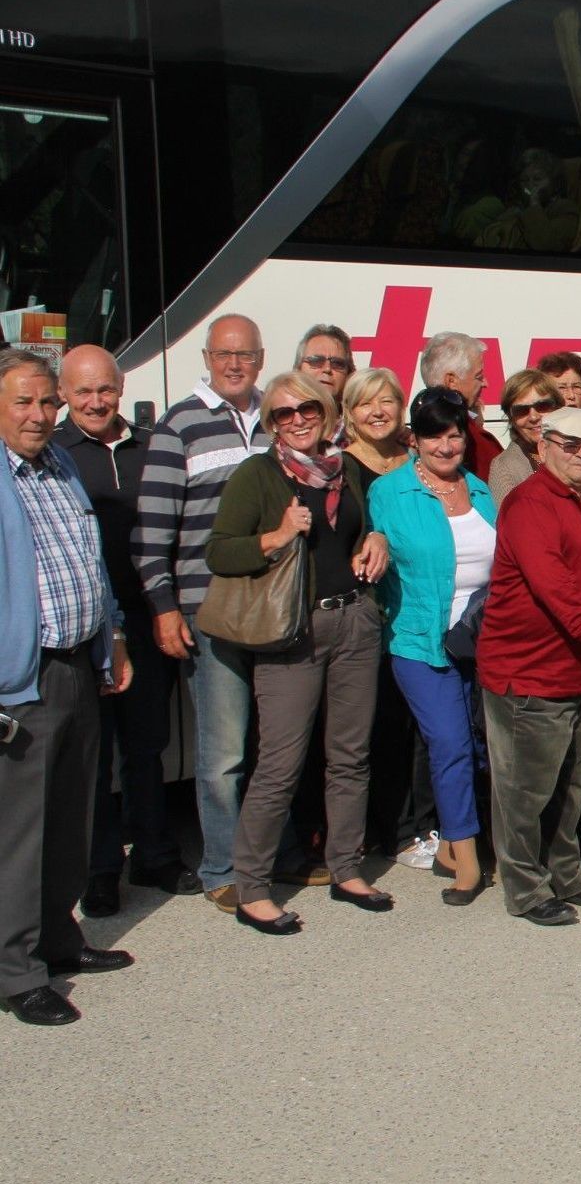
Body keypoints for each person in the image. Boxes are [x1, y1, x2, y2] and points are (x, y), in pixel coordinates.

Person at [132, 313, 311, 914]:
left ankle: (276, 856)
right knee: (224, 751)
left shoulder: (277, 420)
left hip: (278, 606)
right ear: (206, 358)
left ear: (261, 360)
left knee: (274, 746)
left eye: (246, 355)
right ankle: (221, 868)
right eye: (223, 354)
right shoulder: (178, 425)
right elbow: (153, 529)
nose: (234, 365)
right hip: (211, 611)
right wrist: (163, 606)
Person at [206, 371, 392, 935]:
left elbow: (362, 529)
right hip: (293, 631)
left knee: (351, 755)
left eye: (307, 408)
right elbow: (220, 552)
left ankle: (346, 869)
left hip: (354, 620)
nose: (298, 419)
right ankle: (253, 888)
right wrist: (276, 536)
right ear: (271, 422)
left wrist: (376, 538)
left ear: (326, 411)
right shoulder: (257, 474)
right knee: (280, 763)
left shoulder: (345, 469)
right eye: (284, 413)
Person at [1, 348, 134, 1026]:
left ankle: (58, 936)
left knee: (71, 815)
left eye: (46, 402)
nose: (40, 414)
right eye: (24, 402)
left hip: (78, 662)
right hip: (21, 677)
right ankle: (16, 969)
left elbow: (89, 558)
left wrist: (110, 635)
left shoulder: (56, 465)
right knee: (20, 830)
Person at [54, 347, 197, 916]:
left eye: (105, 390)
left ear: (120, 388)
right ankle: (101, 868)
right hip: (86, 625)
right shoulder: (55, 454)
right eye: (82, 392)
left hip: (147, 617)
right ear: (64, 394)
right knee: (95, 753)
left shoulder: (151, 445)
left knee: (148, 744)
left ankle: (156, 854)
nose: (95, 402)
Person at [477, 407, 581, 923]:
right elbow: (552, 583)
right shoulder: (529, 503)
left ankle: (565, 876)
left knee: (569, 785)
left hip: (575, 669)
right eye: (569, 445)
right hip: (527, 670)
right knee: (525, 790)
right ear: (544, 447)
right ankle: (525, 889)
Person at [366, 387, 496, 904]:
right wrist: (373, 543)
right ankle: (463, 856)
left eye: (454, 434)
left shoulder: (481, 491)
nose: (446, 445)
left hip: (480, 641)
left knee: (482, 747)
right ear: (413, 440)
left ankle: (465, 838)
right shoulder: (389, 492)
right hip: (420, 642)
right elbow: (374, 544)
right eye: (433, 435)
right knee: (450, 745)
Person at [339, 367, 437, 868]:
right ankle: (390, 830)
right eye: (364, 404)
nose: (377, 411)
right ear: (349, 414)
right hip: (369, 615)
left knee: (418, 727)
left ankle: (420, 825)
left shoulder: (417, 461)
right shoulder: (341, 468)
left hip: (420, 611)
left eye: (386, 401)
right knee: (379, 729)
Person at [419, 331, 500, 482]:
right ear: (451, 381)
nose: (485, 383)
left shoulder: (416, 432)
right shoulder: (472, 440)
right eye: (479, 376)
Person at [486, 369, 561, 506]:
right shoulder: (504, 468)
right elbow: (509, 523)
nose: (533, 417)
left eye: (542, 406)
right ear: (510, 417)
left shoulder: (577, 451)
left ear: (557, 407)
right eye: (521, 410)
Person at [294, 324, 354, 405]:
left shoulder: (358, 417)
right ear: (298, 369)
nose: (327, 369)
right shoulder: (278, 414)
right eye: (316, 361)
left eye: (337, 363)